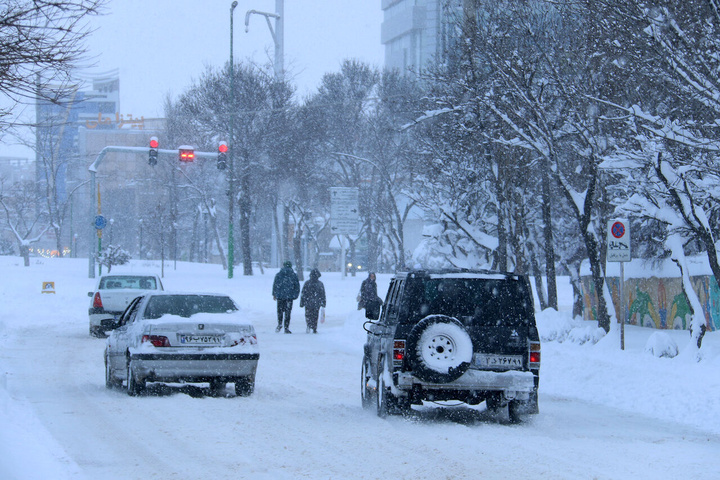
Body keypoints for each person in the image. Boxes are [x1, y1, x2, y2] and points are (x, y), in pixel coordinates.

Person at [272, 261, 300, 333]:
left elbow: (275, 285)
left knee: (280, 311)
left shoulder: (278, 275)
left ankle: (279, 324)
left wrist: (274, 294)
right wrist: (295, 295)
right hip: (289, 297)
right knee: (288, 312)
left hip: (280, 296)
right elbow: (297, 286)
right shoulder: (293, 275)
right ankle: (286, 327)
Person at [299, 268, 326, 334]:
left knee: (308, 314)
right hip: (317, 302)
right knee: (315, 315)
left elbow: (303, 293)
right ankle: (314, 327)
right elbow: (323, 294)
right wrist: (323, 302)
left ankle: (308, 325)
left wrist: (302, 302)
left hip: (308, 302)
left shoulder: (307, 283)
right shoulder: (320, 284)